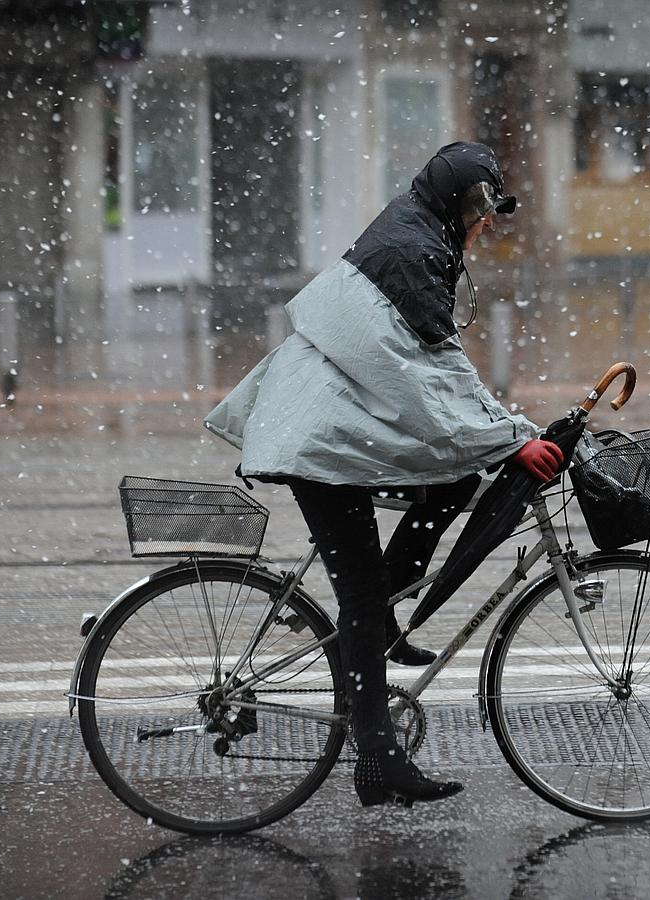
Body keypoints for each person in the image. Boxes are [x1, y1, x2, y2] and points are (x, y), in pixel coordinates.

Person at [203, 141, 565, 808]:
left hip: (332, 426)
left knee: (452, 481)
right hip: (322, 442)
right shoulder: (414, 249)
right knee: (362, 602)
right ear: (460, 203)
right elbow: (432, 376)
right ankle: (378, 758)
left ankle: (387, 627)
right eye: (482, 209)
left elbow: (433, 371)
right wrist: (513, 439)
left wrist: (502, 434)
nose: (486, 223)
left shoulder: (419, 230)